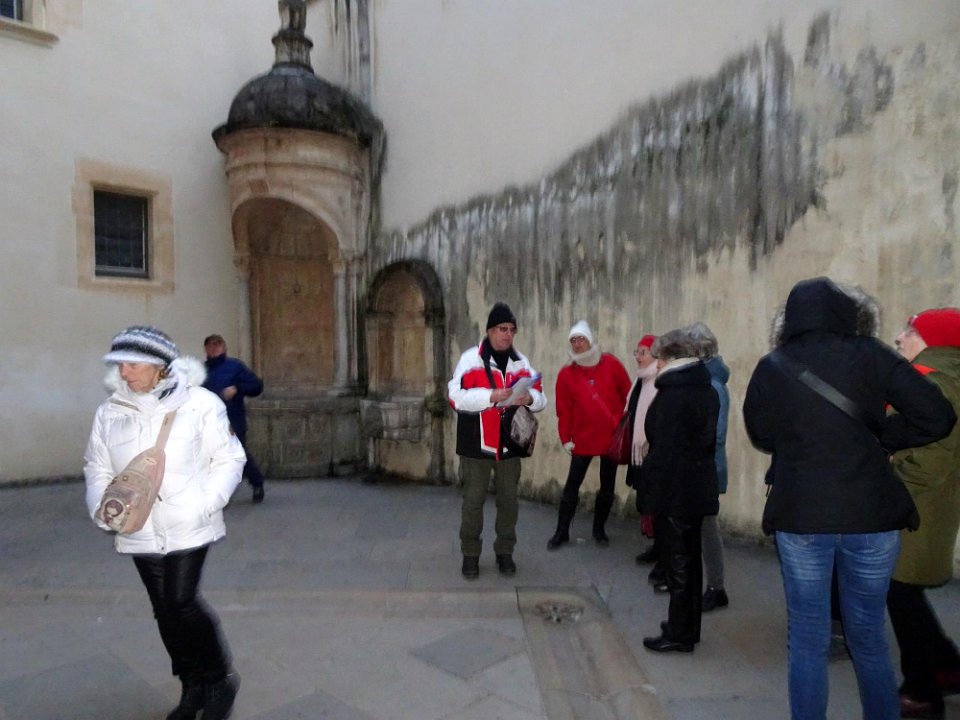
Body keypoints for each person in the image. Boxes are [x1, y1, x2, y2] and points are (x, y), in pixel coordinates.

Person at [743, 277, 956, 720]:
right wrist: (884, 436)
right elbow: (937, 416)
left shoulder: (773, 365)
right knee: (869, 636)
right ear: (845, 313)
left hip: (801, 517)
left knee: (807, 640)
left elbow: (761, 434)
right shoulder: (873, 355)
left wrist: (799, 438)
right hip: (872, 517)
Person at [83, 326, 246, 720]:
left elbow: (230, 458)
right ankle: (192, 685)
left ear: (159, 365)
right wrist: (102, 508)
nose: (124, 372)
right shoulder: (110, 411)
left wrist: (207, 503)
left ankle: (219, 679)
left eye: (133, 364)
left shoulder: (200, 403)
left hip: (188, 521)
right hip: (136, 524)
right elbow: (96, 465)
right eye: (119, 364)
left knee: (181, 601)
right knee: (163, 609)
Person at [886, 307, 960, 720]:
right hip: (931, 505)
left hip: (915, 506)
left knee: (898, 589)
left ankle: (922, 690)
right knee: (904, 590)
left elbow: (931, 460)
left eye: (910, 331)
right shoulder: (947, 377)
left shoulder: (933, 381)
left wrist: (889, 478)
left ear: (935, 341)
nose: (900, 338)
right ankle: (947, 666)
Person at [448, 302, 547, 579]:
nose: (508, 335)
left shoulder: (521, 362)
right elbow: (455, 397)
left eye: (512, 330)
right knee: (473, 502)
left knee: (509, 502)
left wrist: (530, 398)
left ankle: (505, 552)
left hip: (509, 445)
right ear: (490, 330)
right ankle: (470, 554)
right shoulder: (470, 359)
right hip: (476, 444)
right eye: (503, 329)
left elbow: (541, 398)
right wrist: (490, 396)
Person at [639, 328, 720, 653]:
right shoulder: (703, 388)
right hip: (695, 486)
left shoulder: (674, 394)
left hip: (675, 490)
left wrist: (651, 493)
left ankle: (679, 633)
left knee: (679, 563)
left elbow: (664, 448)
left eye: (659, 358)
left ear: (672, 358)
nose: (656, 364)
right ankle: (687, 626)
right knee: (690, 558)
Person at [548, 320, 631, 549]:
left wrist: (622, 421)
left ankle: (599, 530)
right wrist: (566, 438)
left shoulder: (611, 364)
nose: (577, 344)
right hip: (583, 439)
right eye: (573, 340)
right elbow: (564, 410)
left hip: (610, 437)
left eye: (581, 339)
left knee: (607, 486)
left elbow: (627, 393)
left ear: (590, 340)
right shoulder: (567, 374)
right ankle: (561, 532)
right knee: (572, 486)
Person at [685, 322, 731, 612]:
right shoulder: (703, 382)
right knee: (700, 528)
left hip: (706, 468)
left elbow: (717, 433)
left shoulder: (713, 385)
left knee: (707, 530)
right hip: (699, 466)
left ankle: (716, 587)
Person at [203, 334, 266, 503]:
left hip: (233, 419)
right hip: (208, 420)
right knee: (209, 455)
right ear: (206, 349)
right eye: (210, 345)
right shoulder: (201, 371)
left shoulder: (235, 366)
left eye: (217, 344)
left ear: (224, 347)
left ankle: (256, 482)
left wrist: (237, 388)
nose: (214, 348)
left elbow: (256, 386)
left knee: (237, 453)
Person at [625, 334, 660, 565]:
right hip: (638, 451)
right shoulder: (640, 380)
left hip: (651, 451)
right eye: (637, 352)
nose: (638, 357)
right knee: (645, 499)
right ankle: (656, 545)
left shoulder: (659, 381)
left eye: (643, 352)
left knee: (654, 500)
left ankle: (661, 548)